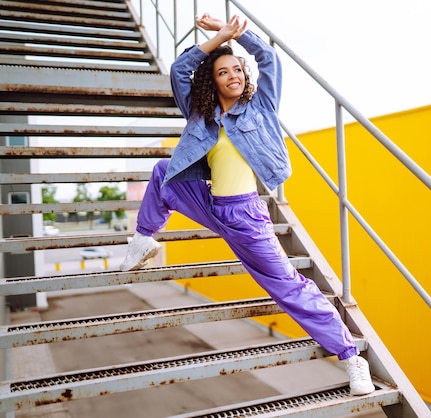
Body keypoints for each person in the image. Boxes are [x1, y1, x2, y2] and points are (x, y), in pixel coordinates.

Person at [120, 13, 375, 396]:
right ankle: (143, 237)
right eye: (223, 72)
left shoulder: (262, 107)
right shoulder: (201, 114)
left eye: (237, 69)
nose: (233, 76)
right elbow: (179, 70)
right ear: (213, 81)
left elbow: (270, 61)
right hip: (210, 203)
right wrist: (218, 39)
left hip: (245, 215)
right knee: (163, 170)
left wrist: (240, 35)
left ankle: (351, 357)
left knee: (289, 287)